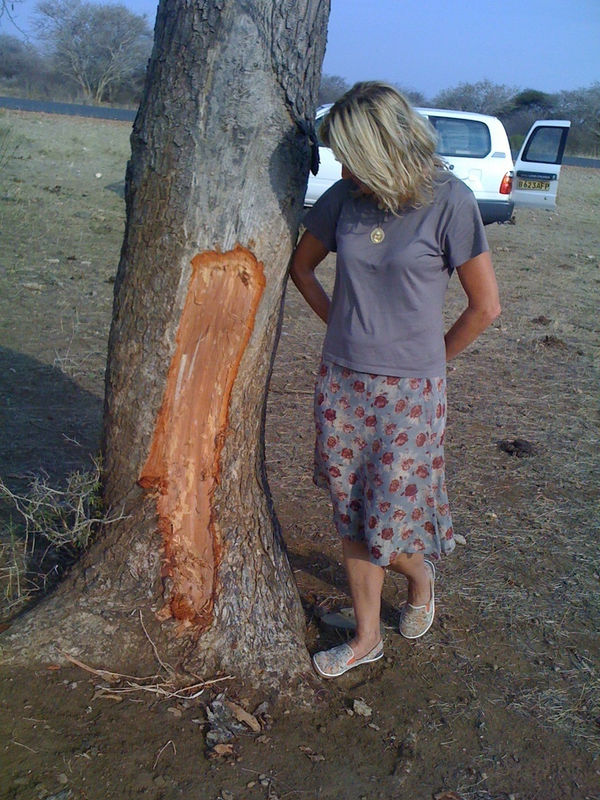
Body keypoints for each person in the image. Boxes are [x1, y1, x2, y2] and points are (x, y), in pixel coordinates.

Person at [289, 82, 501, 679]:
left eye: (351, 154)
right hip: (343, 386)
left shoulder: (450, 202)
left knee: (388, 512)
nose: (343, 167)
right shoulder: (342, 199)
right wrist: (346, 327)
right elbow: (302, 270)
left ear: (382, 146)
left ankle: (421, 578)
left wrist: (429, 360)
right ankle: (365, 638)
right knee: (353, 509)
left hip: (411, 394)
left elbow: (485, 307)